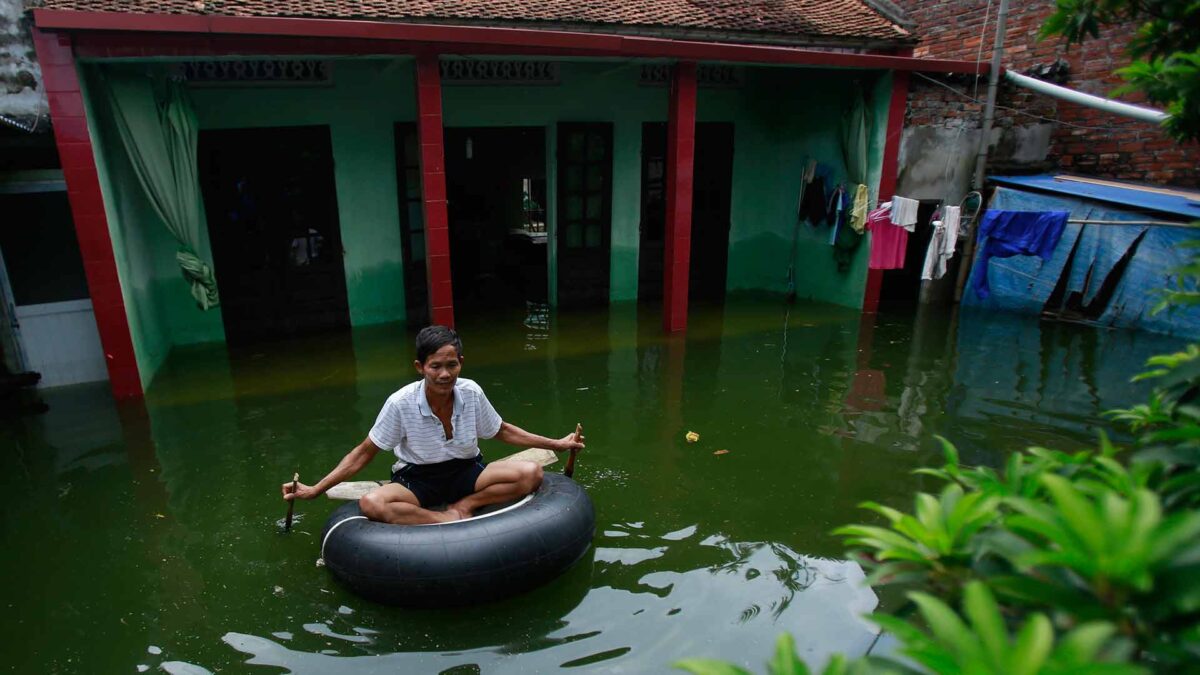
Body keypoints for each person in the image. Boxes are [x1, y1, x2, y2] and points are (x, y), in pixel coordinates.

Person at [281, 325, 585, 524]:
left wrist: (558, 444)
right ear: (420, 367)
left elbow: (502, 430)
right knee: (373, 504)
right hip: (418, 480)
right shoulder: (401, 403)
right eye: (435, 366)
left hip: (467, 471)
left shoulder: (471, 392)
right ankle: (441, 520)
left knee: (531, 473)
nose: (444, 374)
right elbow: (363, 453)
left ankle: (466, 506)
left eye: (451, 365)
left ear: (461, 363)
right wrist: (316, 490)